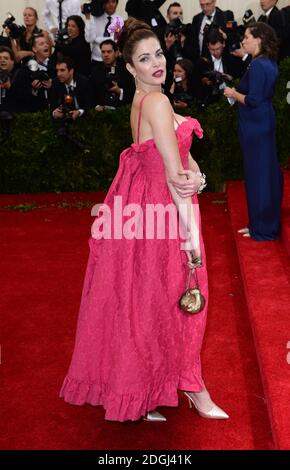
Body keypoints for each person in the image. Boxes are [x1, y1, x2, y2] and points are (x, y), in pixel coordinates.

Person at [60, 17, 229, 422]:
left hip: (143, 212)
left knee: (145, 305)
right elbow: (173, 176)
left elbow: (172, 157)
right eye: (144, 58)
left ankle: (146, 391)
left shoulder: (145, 100)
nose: (156, 63)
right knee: (182, 303)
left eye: (158, 54)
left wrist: (197, 174)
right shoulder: (157, 101)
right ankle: (193, 387)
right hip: (166, 215)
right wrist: (189, 238)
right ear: (130, 67)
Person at [224, 22, 283, 241]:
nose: (243, 40)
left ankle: (262, 227)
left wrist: (232, 92)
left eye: (247, 36)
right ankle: (259, 224)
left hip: (255, 126)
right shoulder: (266, 62)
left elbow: (254, 99)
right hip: (262, 123)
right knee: (262, 175)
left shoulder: (258, 65)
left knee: (259, 177)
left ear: (258, 39)